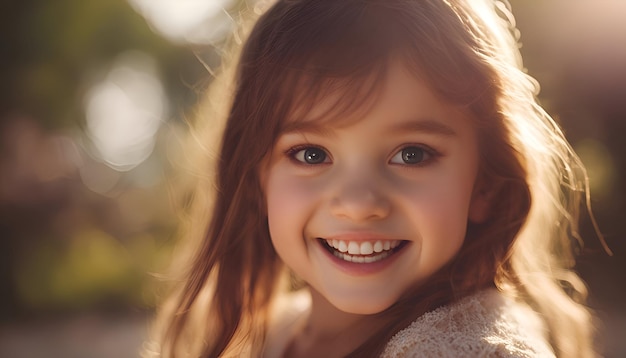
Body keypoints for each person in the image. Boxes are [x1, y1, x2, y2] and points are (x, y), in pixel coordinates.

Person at [145, 0, 603, 356]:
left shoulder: (481, 352)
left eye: (411, 154)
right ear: (256, 178)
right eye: (311, 153)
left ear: (484, 183)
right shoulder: (266, 336)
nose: (359, 202)